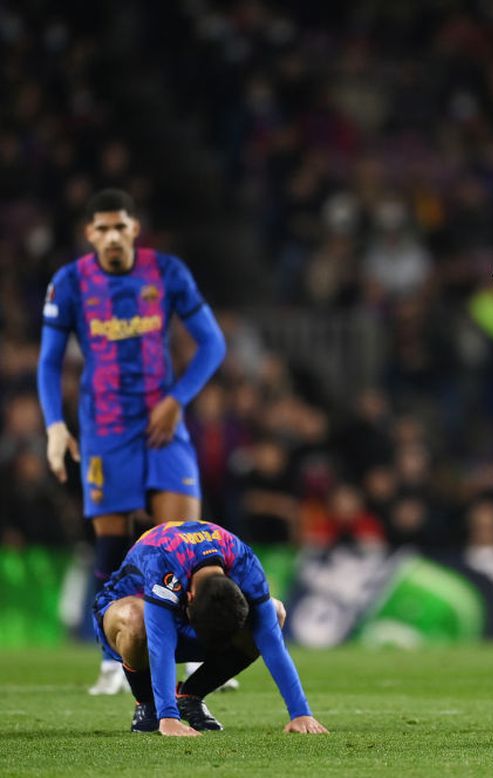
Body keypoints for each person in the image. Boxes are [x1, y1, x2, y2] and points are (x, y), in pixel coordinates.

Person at [37, 188, 227, 694]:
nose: (112, 236)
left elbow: (214, 342)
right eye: (102, 228)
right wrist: (56, 426)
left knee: (183, 536)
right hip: (104, 427)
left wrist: (177, 398)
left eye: (120, 226)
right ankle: (111, 659)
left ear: (134, 229)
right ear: (89, 234)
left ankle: (190, 655)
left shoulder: (166, 272)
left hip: (161, 422)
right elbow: (50, 361)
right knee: (112, 541)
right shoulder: (70, 282)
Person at [94, 520, 328, 736]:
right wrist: (168, 718)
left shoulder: (243, 562)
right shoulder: (163, 561)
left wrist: (300, 713)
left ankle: (190, 695)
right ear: (189, 598)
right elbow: (160, 641)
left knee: (274, 613)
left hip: (186, 621)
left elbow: (271, 639)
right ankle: (147, 704)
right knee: (137, 617)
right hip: (131, 619)